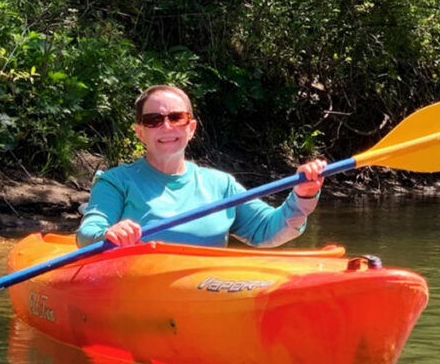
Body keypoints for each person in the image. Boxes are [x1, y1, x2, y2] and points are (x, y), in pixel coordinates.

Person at [77, 85, 326, 248]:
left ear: (191, 128)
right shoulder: (115, 181)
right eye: (154, 120)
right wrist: (109, 233)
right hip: (136, 287)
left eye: (176, 117)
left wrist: (303, 196)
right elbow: (87, 234)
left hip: (203, 288)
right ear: (140, 132)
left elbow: (267, 230)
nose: (167, 127)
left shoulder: (220, 185)